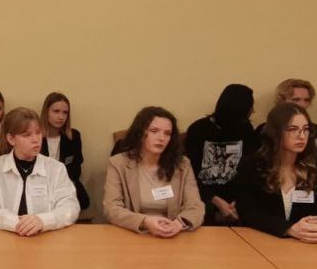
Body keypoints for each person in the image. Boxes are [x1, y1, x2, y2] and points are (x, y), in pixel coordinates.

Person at [234, 102, 317, 243]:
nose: (302, 136)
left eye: (306, 129)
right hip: (262, 242)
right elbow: (248, 213)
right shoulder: (252, 166)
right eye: (293, 129)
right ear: (276, 133)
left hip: (305, 246)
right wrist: (288, 228)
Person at [0, 107, 79, 236]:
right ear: (11, 139)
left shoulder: (56, 168)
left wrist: (43, 221)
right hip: (4, 236)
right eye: (27, 135)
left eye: (38, 132)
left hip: (45, 237)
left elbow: (70, 207)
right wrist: (15, 223)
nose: (36, 139)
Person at [104, 106, 205, 237]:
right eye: (154, 131)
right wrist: (145, 221)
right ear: (140, 133)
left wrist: (179, 223)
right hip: (133, 234)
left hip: (172, 234)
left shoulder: (182, 165)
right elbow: (111, 208)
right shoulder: (118, 163)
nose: (161, 138)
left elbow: (196, 206)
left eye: (167, 133)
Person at [184, 84, 260, 225]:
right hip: (204, 196)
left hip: (237, 199)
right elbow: (192, 171)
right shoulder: (199, 129)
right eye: (251, 106)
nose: (253, 111)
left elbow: (249, 170)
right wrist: (215, 200)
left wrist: (237, 202)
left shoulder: (246, 130)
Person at [39, 92, 89, 210]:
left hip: (66, 184)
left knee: (84, 201)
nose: (61, 117)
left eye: (65, 112)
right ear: (46, 112)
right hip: (40, 187)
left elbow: (76, 169)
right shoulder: (35, 136)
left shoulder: (73, 136)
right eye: (56, 111)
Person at [256, 79, 317, 150]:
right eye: (296, 100)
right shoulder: (266, 129)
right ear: (282, 101)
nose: (302, 105)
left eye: (306, 100)